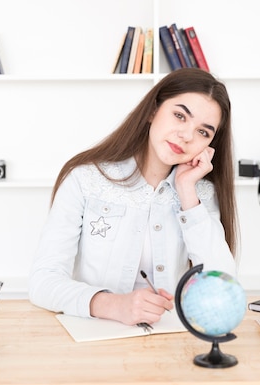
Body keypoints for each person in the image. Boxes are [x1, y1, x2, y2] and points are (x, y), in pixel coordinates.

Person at [28, 68, 238, 327]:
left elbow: (224, 286)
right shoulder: (85, 179)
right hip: (94, 339)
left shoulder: (200, 193)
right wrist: (114, 305)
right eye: (180, 115)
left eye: (203, 132)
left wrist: (186, 192)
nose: (186, 136)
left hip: (170, 340)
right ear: (153, 110)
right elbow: (43, 281)